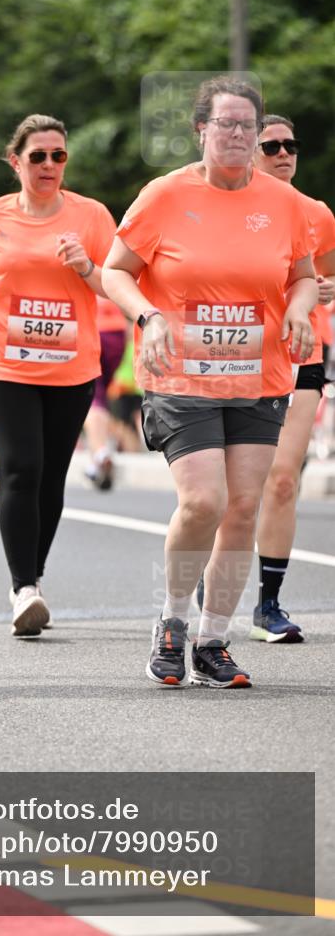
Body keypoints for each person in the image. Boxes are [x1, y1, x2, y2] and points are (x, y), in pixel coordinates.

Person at [102, 78, 317, 689]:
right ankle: (171, 623)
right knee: (204, 502)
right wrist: (148, 315)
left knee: (244, 509)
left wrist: (300, 310)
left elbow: (301, 275)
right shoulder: (165, 195)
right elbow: (117, 271)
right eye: (226, 124)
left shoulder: (281, 203)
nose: (238, 136)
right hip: (179, 374)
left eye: (247, 126)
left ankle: (213, 641)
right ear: (200, 130)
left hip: (259, 374)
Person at [0, 113, 116, 635]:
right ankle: (24, 589)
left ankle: (34, 575)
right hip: (2, 363)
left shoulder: (91, 216)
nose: (49, 165)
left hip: (70, 366)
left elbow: (117, 283)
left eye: (58, 156)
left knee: (50, 478)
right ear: (15, 160)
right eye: (38, 155)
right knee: (21, 467)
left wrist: (87, 268)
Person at [249, 114, 335, 642]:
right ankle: (211, 586)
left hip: (300, 353)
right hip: (238, 357)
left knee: (283, 478)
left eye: (291, 145)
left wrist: (323, 293)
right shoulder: (227, 207)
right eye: (271, 145)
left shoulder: (316, 214)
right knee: (235, 488)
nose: (284, 153)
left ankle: (268, 605)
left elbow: (324, 274)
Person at [82, 296, 127, 490]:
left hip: (90, 326)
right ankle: (95, 460)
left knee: (93, 397)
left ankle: (100, 451)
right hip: (118, 331)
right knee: (101, 397)